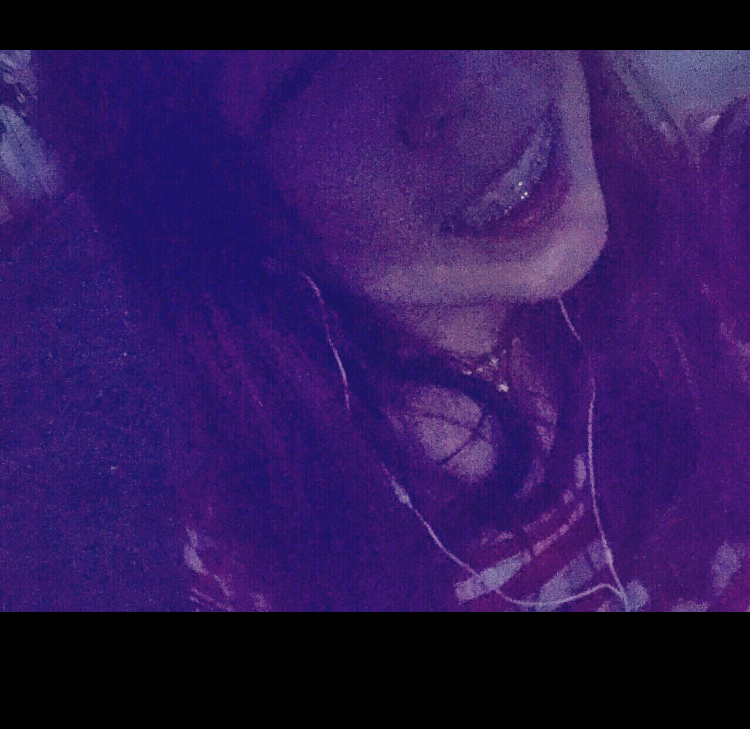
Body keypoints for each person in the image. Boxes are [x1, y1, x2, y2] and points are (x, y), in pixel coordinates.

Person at [24, 50, 750, 611]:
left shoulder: (713, 215)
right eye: (316, 64)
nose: (465, 72)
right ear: (222, 209)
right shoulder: (265, 552)